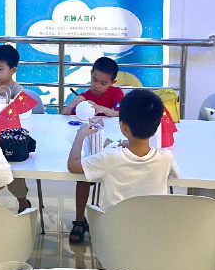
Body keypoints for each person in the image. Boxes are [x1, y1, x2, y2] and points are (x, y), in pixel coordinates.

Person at [67, 88, 178, 212]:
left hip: (113, 224)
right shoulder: (166, 157)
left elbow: (73, 166)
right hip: (151, 223)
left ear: (123, 126)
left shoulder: (109, 157)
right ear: (157, 126)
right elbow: (175, 174)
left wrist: (80, 134)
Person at [61, 57, 125, 244]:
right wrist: (71, 105)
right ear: (90, 75)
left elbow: (120, 112)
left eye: (103, 83)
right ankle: (79, 219)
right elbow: (63, 117)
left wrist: (100, 108)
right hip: (90, 146)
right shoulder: (84, 97)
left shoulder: (116, 94)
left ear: (112, 82)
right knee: (83, 177)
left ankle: (114, 218)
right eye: (94, 80)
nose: (97, 86)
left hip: (113, 145)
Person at [0, 44, 33, 213]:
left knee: (14, 172)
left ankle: (22, 201)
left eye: (0, 69)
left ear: (13, 70)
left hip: (9, 138)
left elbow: (24, 113)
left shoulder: (17, 90)